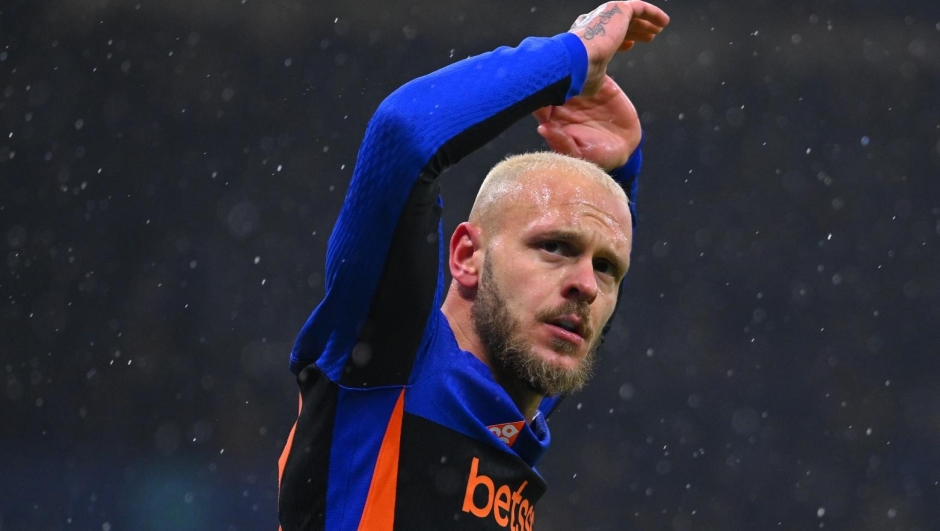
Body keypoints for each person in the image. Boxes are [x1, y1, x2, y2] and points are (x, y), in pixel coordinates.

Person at [277, 2, 670, 529]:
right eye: (553, 247)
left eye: (605, 270)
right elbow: (404, 135)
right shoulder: (389, 364)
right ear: (466, 256)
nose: (585, 288)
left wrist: (619, 168)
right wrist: (570, 57)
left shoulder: (514, 409)